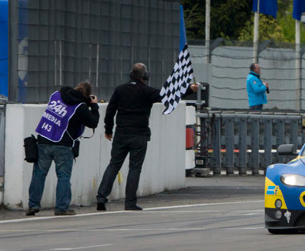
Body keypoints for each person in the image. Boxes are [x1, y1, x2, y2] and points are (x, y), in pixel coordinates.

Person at [96, 63, 198, 211]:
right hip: (139, 134)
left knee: (114, 165)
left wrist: (108, 130)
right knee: (135, 168)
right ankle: (130, 203)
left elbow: (110, 111)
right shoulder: (147, 91)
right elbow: (168, 95)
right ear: (145, 76)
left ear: (131, 74)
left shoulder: (120, 90)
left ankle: (101, 197)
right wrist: (189, 89)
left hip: (121, 133)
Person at [27, 82, 99, 216]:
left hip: (43, 139)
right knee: (63, 177)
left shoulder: (56, 95)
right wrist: (93, 106)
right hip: (63, 145)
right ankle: (61, 208)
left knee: (39, 175)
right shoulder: (80, 107)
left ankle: (33, 205)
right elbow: (93, 122)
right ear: (87, 96)